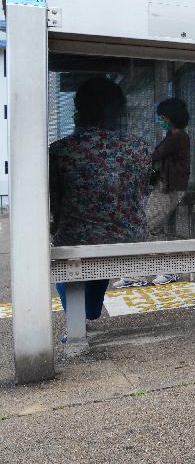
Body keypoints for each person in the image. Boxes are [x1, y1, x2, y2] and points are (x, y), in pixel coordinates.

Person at [49, 76, 151, 319]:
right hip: (129, 236)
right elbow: (142, 192)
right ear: (119, 110)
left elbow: (54, 200)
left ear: (79, 109)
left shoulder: (61, 150)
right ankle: (91, 311)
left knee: (69, 255)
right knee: (102, 247)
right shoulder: (138, 147)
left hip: (77, 239)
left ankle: (81, 315)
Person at [113, 98, 191, 288]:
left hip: (169, 189)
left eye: (162, 117)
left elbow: (153, 157)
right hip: (166, 187)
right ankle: (164, 270)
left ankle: (138, 274)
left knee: (145, 225)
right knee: (154, 229)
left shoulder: (177, 137)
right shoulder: (172, 135)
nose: (160, 119)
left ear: (171, 117)